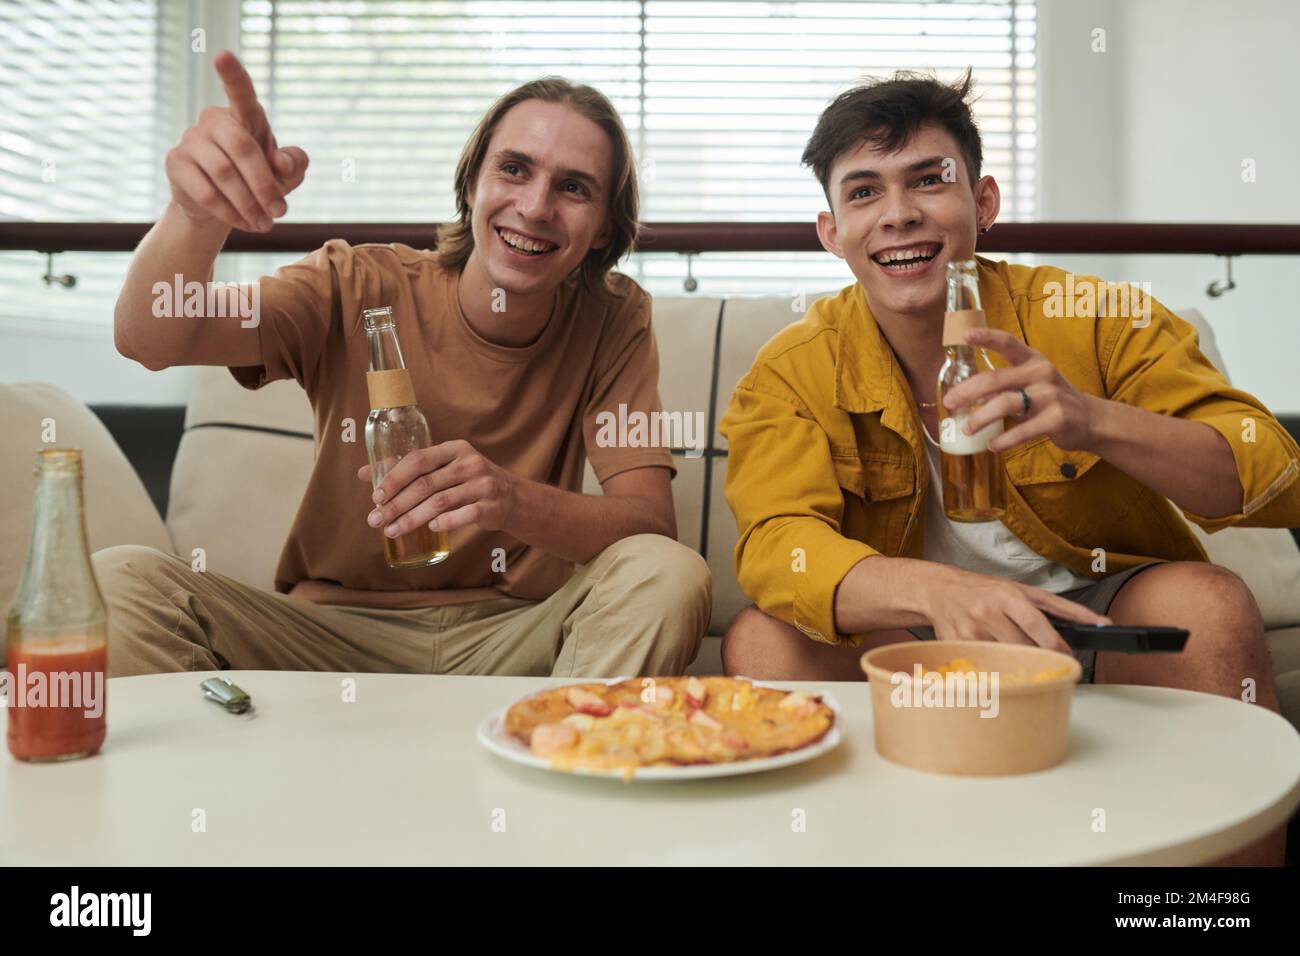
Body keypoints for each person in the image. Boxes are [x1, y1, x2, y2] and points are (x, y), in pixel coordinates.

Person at [719, 71, 1300, 864]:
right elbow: (775, 545)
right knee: (761, 644)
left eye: (930, 180)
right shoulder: (790, 370)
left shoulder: (1096, 316)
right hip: (908, 632)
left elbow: (1271, 473)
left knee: (1211, 603)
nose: (899, 213)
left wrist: (1094, 419)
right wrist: (941, 591)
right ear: (831, 231)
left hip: (1099, 612)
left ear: (983, 202)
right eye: (864, 192)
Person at [101, 50, 709, 680]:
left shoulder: (614, 317)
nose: (534, 207)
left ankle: (561, 752)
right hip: (328, 636)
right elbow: (151, 338)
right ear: (472, 183)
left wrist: (509, 499)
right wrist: (196, 215)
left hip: (516, 638)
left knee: (669, 575)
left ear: (606, 228)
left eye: (574, 187)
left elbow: (648, 525)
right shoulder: (355, 282)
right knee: (121, 581)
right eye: (514, 169)